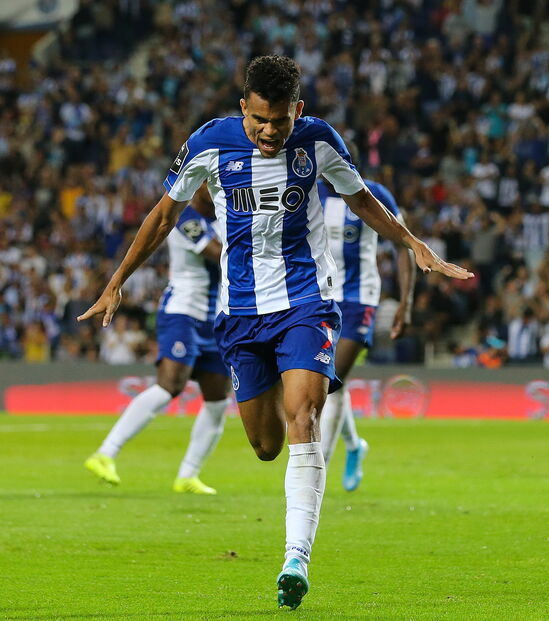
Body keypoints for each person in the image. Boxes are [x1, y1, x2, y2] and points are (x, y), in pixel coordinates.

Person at [78, 56, 471, 610]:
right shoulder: (209, 144)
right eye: (259, 120)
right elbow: (165, 215)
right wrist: (116, 281)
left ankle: (295, 559)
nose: (269, 131)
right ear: (244, 107)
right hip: (239, 314)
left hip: (308, 302)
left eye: (280, 122)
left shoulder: (318, 141)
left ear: (298, 112)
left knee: (304, 416)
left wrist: (414, 244)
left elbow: (360, 199)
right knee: (266, 446)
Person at [84, 186, 229, 494]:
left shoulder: (227, 215)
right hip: (183, 312)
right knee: (170, 385)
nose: (216, 187)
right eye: (209, 181)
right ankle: (105, 453)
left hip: (217, 317)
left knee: (218, 400)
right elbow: (218, 254)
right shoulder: (184, 216)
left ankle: (188, 475)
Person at [317, 176, 415, 491]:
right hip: (319, 297)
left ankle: (318, 470)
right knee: (332, 383)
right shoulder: (307, 188)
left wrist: (406, 302)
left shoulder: (374, 193)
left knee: (330, 382)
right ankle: (355, 445)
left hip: (361, 299)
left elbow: (404, 244)